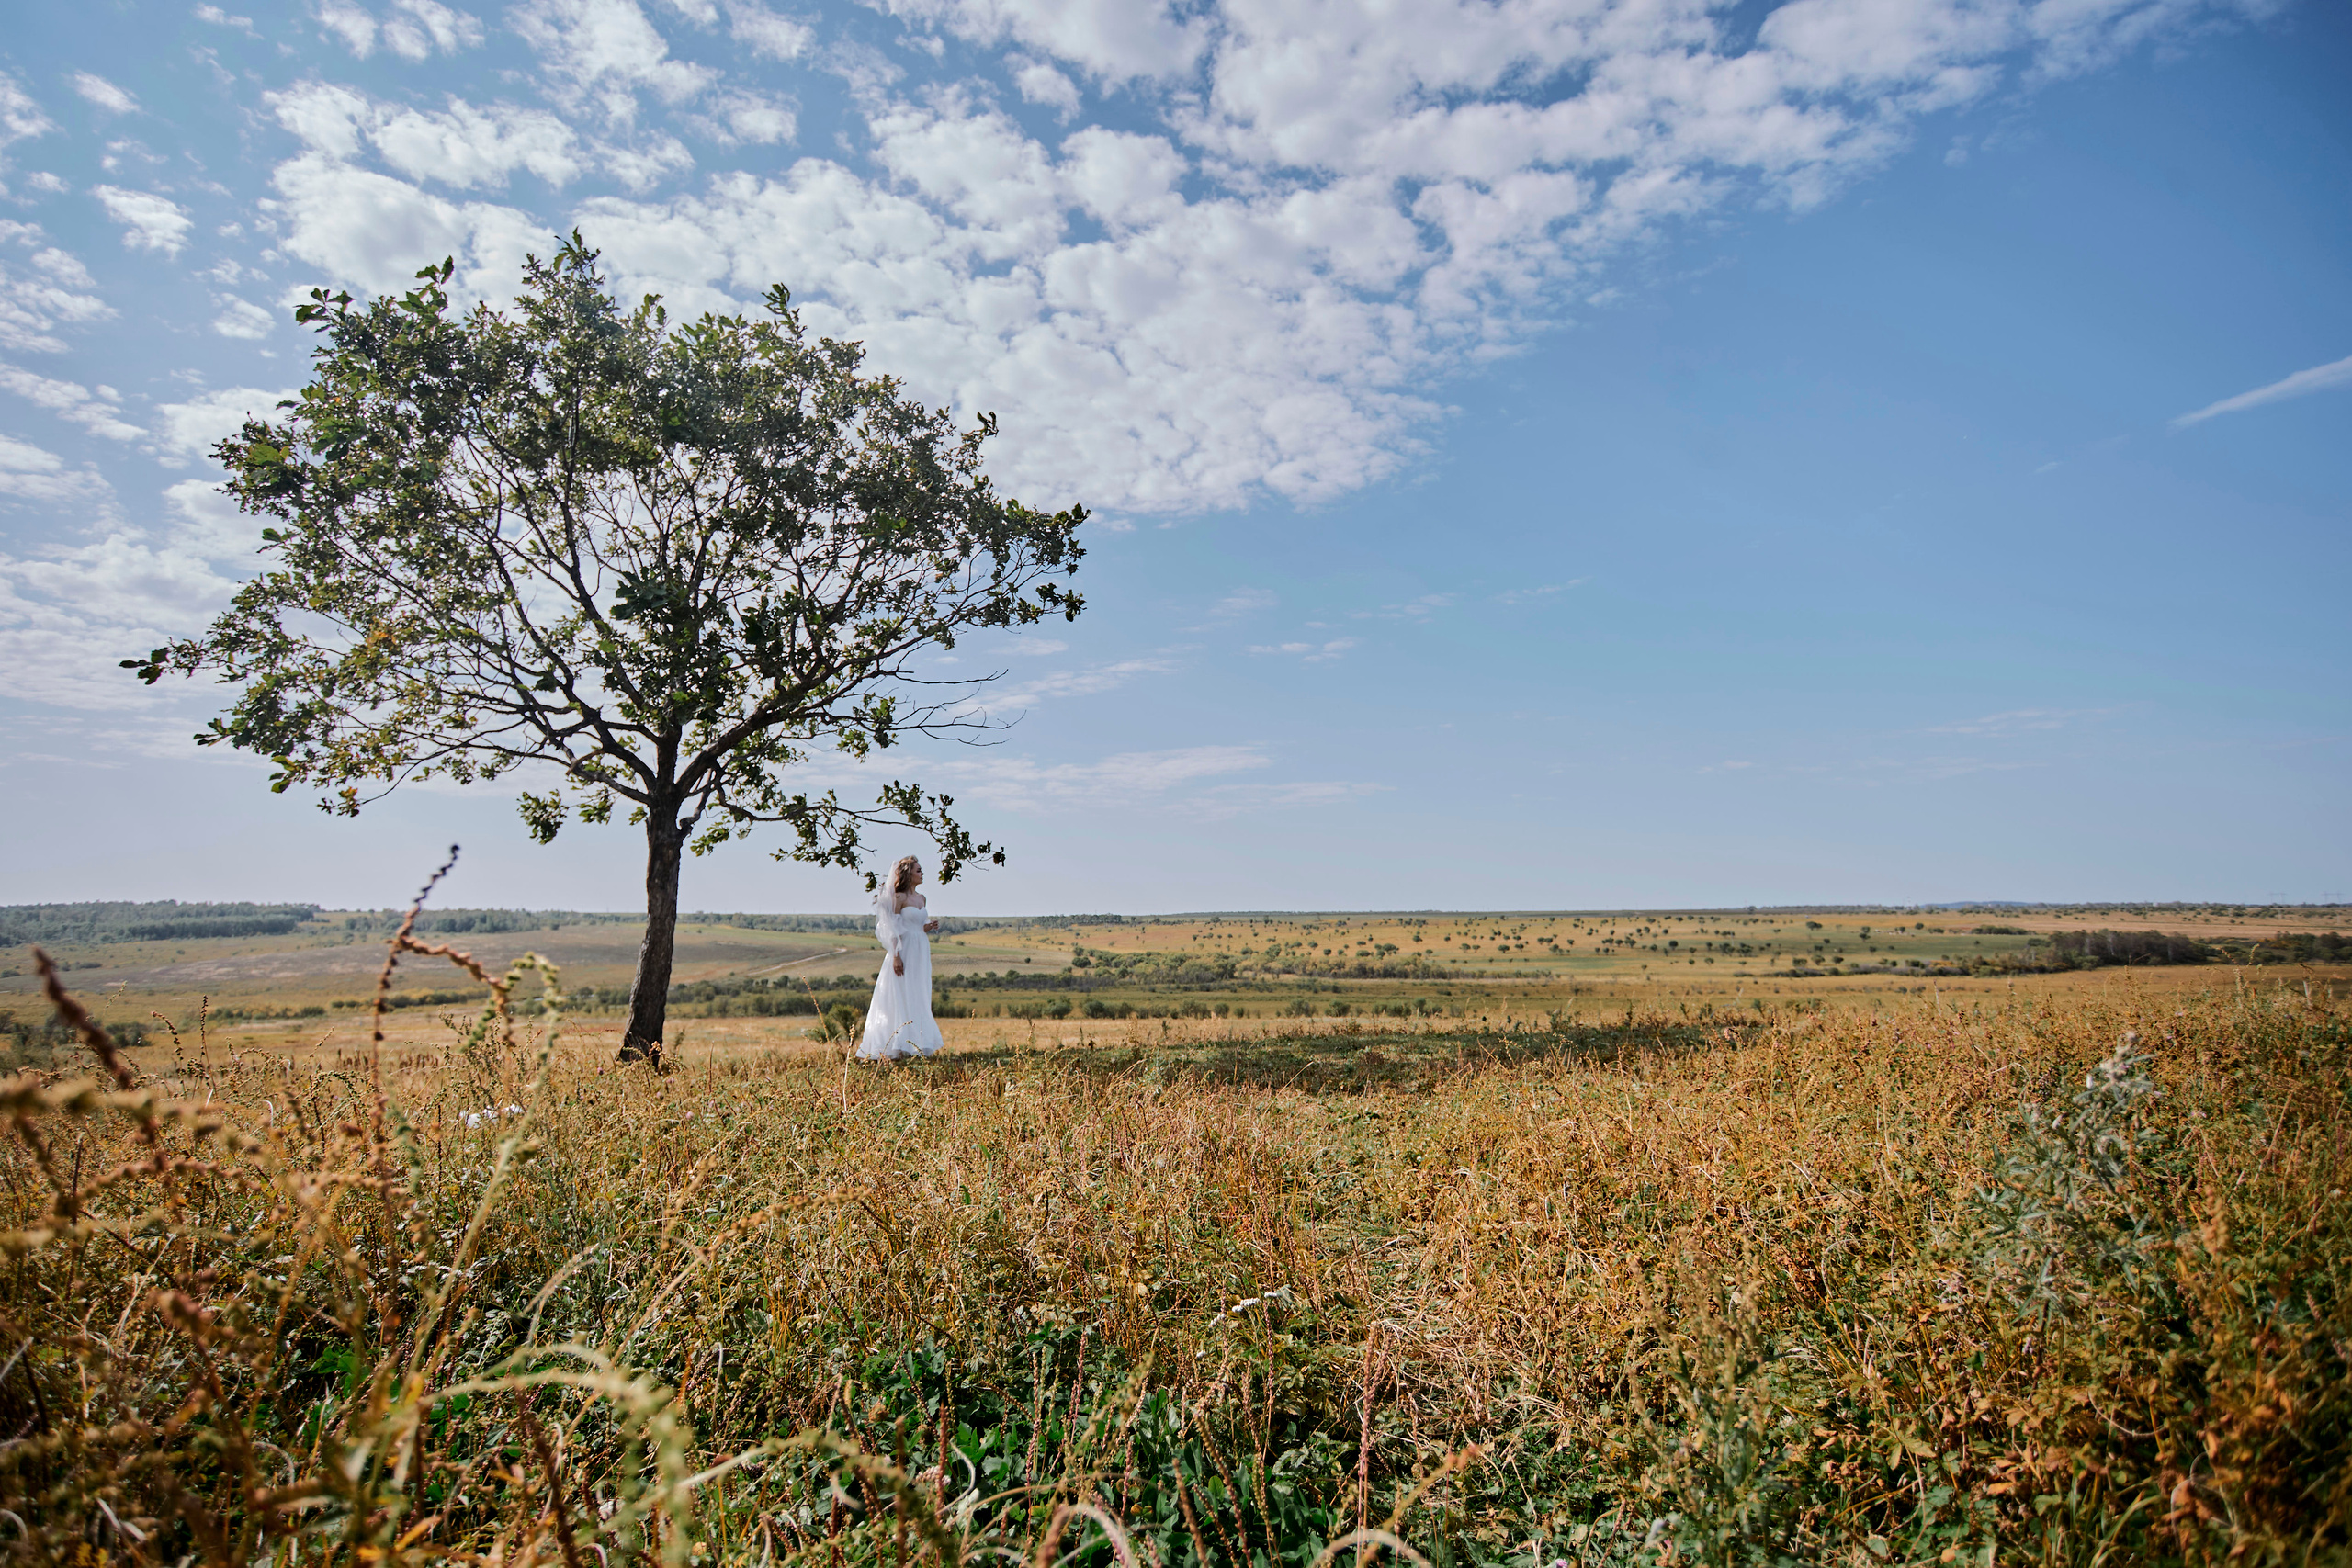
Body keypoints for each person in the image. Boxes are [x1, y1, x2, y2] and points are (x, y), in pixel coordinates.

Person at [856, 854, 945, 1061]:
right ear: (908, 874)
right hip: (903, 950)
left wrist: (928, 927)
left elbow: (916, 927)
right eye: (918, 870)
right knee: (901, 993)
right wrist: (895, 956)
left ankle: (918, 1042)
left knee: (918, 992)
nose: (922, 874)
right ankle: (896, 1043)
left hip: (920, 949)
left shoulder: (922, 898)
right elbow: (893, 928)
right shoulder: (899, 898)